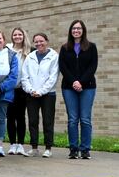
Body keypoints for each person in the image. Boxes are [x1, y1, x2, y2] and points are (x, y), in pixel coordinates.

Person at [59, 20, 98, 160]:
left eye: (79, 28)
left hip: (88, 87)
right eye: (74, 28)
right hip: (69, 87)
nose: (76, 30)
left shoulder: (91, 47)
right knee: (72, 119)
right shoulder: (64, 48)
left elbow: (93, 66)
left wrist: (81, 82)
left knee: (85, 119)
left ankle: (85, 149)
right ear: (70, 31)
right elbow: (63, 67)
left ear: (83, 30)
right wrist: (74, 82)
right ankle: (73, 149)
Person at [21, 33, 59, 158]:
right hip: (31, 94)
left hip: (48, 94)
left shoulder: (54, 56)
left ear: (46, 41)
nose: (39, 44)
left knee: (48, 121)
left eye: (41, 41)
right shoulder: (30, 57)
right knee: (32, 121)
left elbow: (53, 77)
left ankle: (48, 148)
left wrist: (41, 91)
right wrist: (31, 90)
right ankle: (34, 148)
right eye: (36, 42)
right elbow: (24, 76)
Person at [0, 30, 18, 157]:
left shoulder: (12, 55)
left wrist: (0, 87)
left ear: (4, 40)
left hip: (3, 92)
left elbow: (13, 76)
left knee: (0, 118)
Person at [8, 28, 32, 156]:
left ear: (23, 36)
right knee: (10, 117)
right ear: (12, 37)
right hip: (9, 88)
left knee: (21, 116)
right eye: (15, 34)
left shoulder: (29, 51)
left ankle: (21, 144)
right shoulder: (8, 50)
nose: (17, 36)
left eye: (20, 34)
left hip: (22, 89)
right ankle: (12, 144)